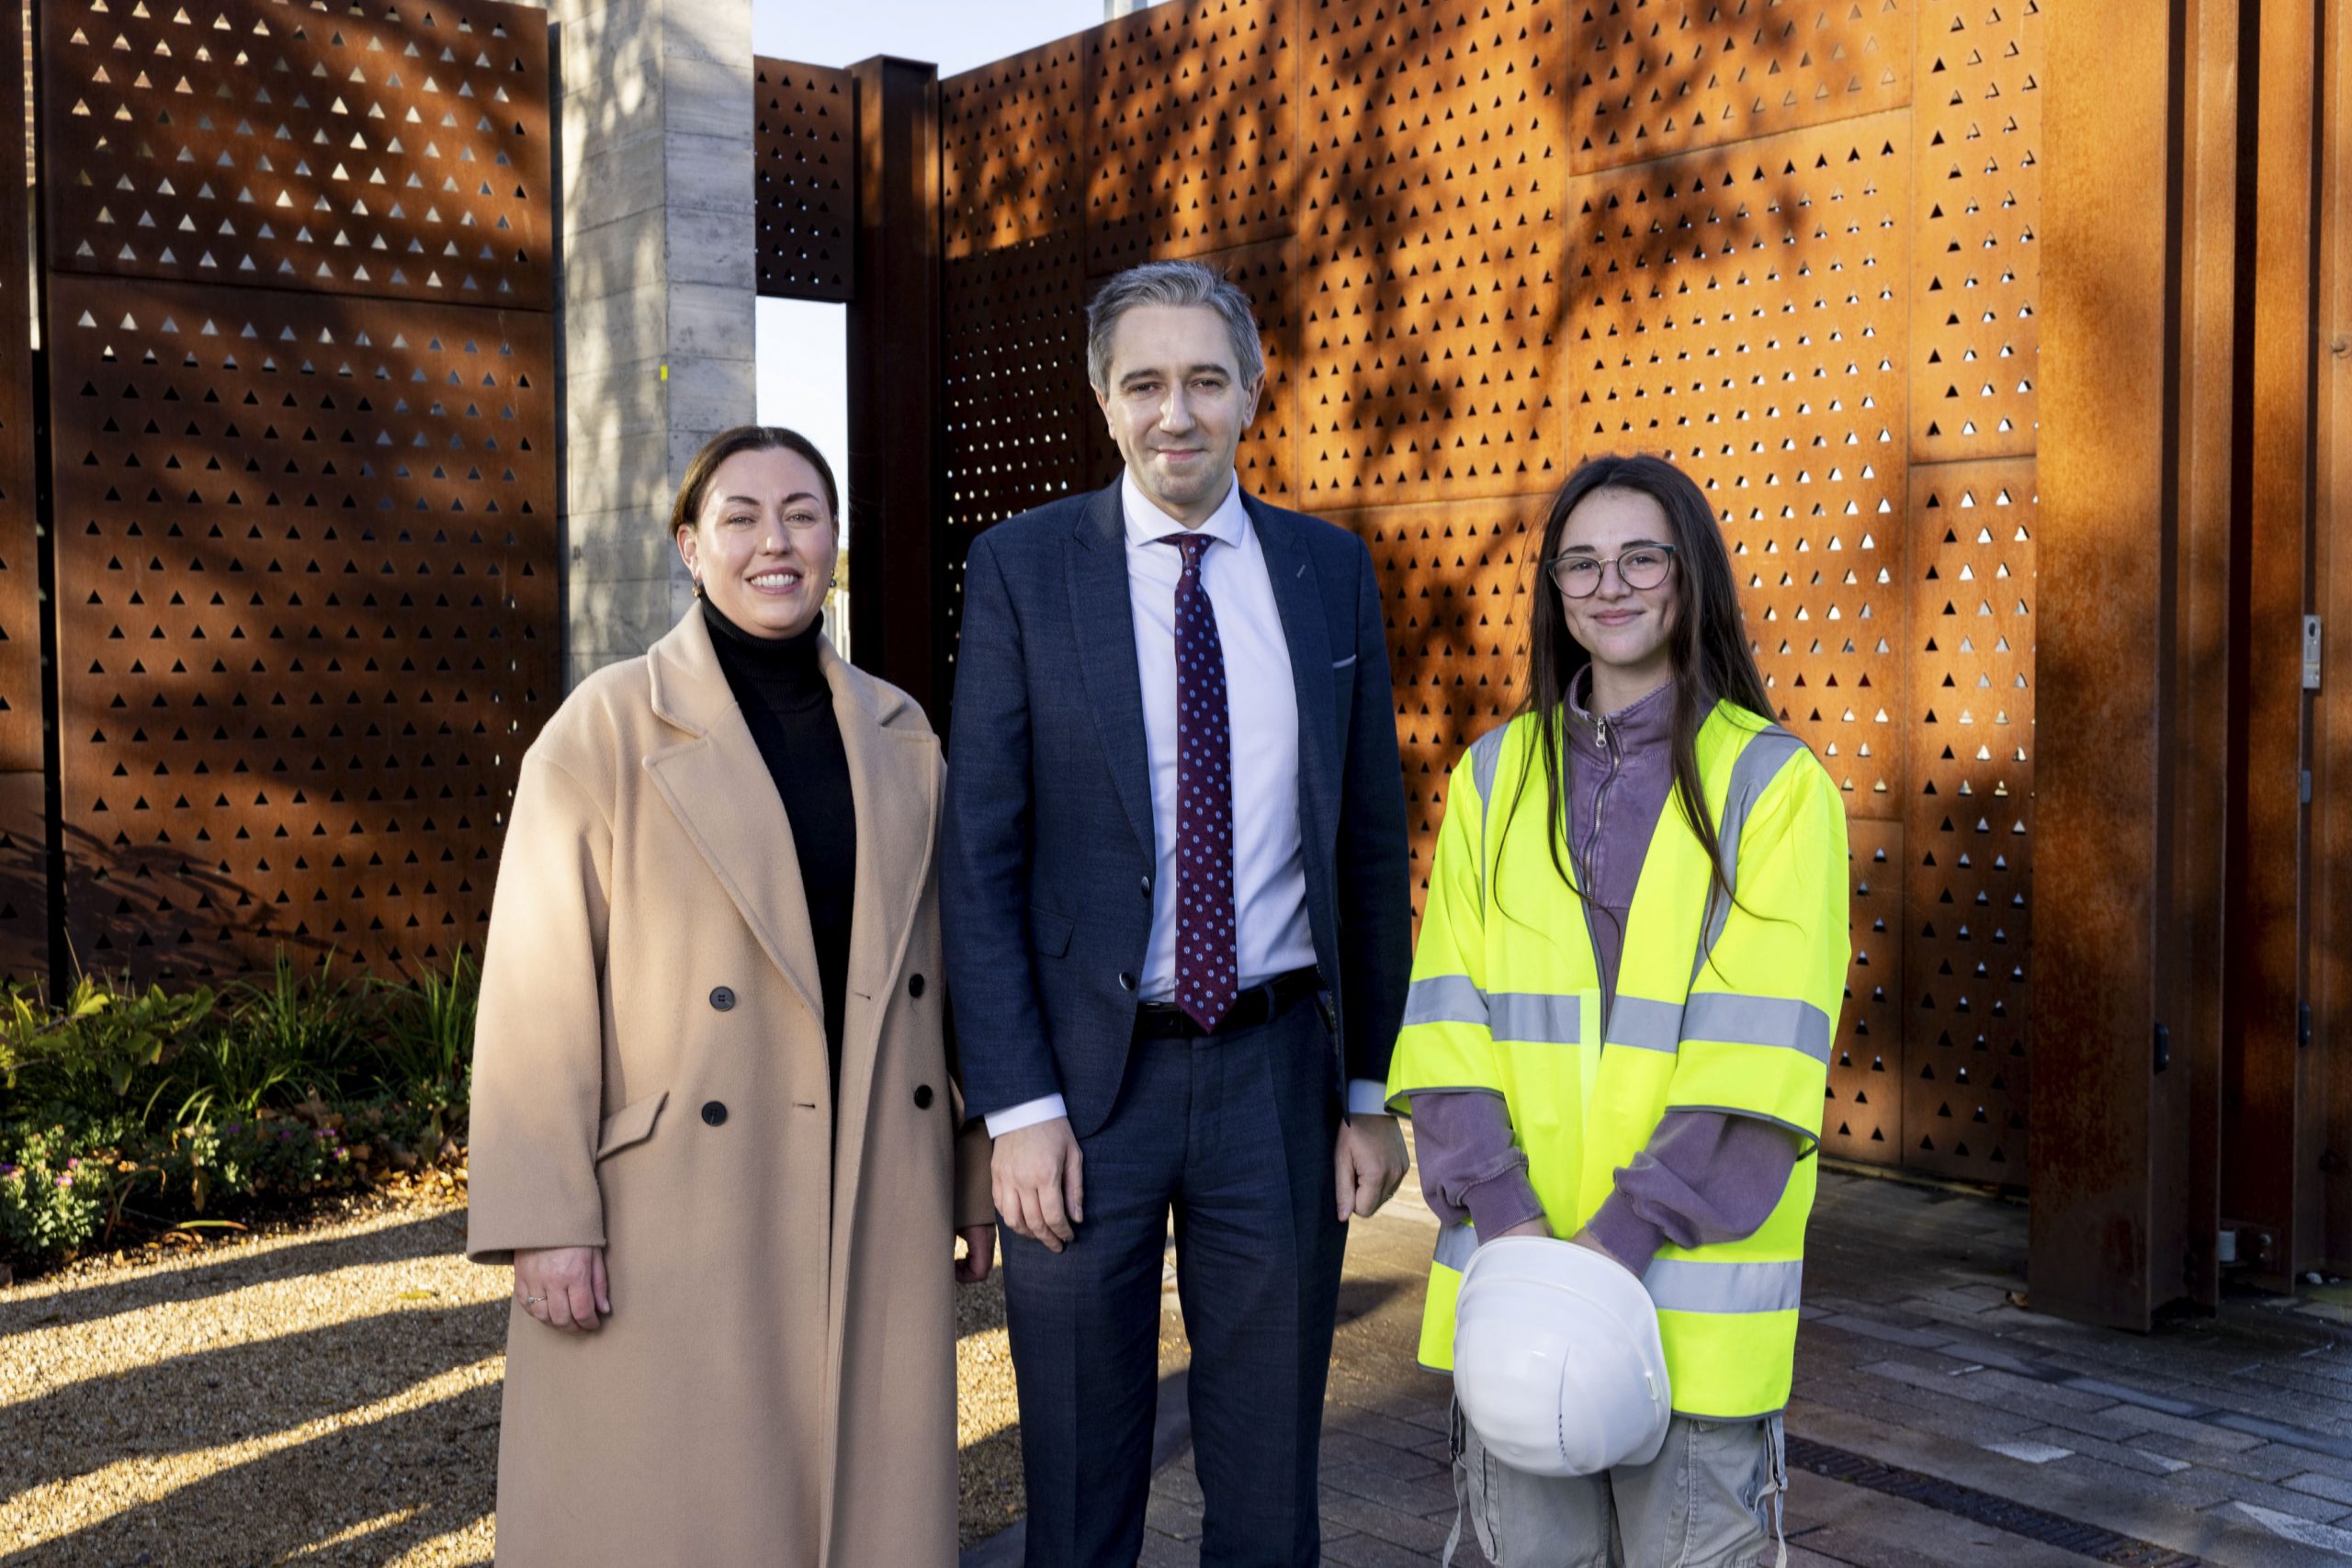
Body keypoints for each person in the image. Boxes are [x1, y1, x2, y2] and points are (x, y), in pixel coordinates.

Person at [941, 259, 1414, 1568]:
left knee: (1267, 1487)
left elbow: (1369, 846)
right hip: (1085, 1094)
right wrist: (1016, 1109)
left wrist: (1370, 1090)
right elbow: (979, 858)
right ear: (1103, 399)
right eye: (1144, 383)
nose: (1177, 413)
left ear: (1253, 392)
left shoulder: (1328, 572)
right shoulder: (1023, 568)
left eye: (1206, 380)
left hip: (1277, 1079)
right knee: (1078, 1482)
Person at [465, 425, 996, 1567]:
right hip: (679, 1199)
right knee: (683, 1507)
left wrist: (970, 1170)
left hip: (874, 1176)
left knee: (862, 1502)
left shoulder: (902, 732)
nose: (775, 542)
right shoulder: (604, 726)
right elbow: (536, 985)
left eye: (803, 515)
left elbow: (951, 976)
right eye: (741, 517)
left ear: (833, 542)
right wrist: (544, 1217)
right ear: (689, 546)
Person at [1387, 453, 1850, 1568]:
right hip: (1519, 1287)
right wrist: (1515, 1230)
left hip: (1687, 1304)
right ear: (1554, 590)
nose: (1610, 586)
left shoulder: (1775, 788)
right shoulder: (1493, 778)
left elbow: (1758, 1065)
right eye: (1580, 564)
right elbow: (1445, 1028)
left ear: (1690, 576)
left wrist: (1613, 1244)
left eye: (1641, 557)